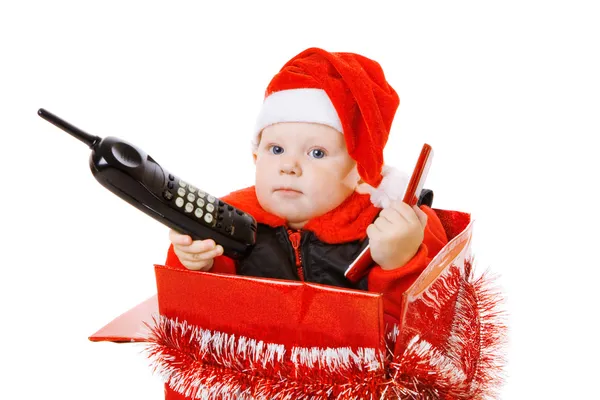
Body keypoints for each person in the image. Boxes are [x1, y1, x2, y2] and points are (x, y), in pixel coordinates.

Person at [164, 47, 449, 324]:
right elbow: (204, 317)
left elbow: (424, 331)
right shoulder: (230, 218)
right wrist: (196, 263)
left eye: (317, 153)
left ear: (361, 172)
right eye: (276, 150)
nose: (289, 166)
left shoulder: (398, 227)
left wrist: (400, 263)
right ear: (255, 157)